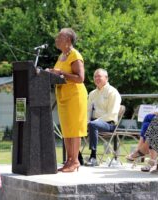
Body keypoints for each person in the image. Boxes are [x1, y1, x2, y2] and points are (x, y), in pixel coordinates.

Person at [48, 28, 88, 172]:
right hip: (63, 96)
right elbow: (59, 74)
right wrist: (51, 73)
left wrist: (62, 73)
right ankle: (69, 160)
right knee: (66, 130)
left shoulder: (75, 55)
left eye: (60, 37)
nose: (56, 39)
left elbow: (80, 78)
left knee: (75, 129)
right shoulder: (61, 56)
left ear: (68, 40)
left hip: (75, 96)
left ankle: (75, 161)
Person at [85, 68, 122, 166]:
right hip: (93, 123)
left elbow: (112, 114)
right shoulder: (92, 93)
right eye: (95, 76)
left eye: (99, 76)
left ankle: (93, 157)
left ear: (106, 78)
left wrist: (93, 121)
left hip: (109, 124)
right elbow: (88, 111)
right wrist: (86, 121)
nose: (96, 78)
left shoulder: (113, 92)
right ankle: (76, 157)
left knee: (93, 124)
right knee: (72, 124)